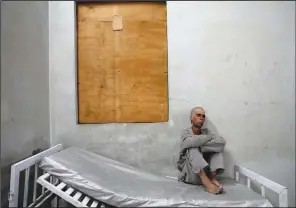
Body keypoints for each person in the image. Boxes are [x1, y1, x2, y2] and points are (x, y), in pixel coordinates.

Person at [177, 107, 226, 194]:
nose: (201, 118)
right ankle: (208, 185)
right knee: (192, 148)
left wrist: (200, 146)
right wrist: (209, 138)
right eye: (198, 115)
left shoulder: (206, 131)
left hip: (206, 173)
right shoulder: (185, 132)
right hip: (190, 174)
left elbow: (221, 143)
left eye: (203, 116)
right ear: (191, 117)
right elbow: (190, 142)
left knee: (217, 150)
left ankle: (212, 178)